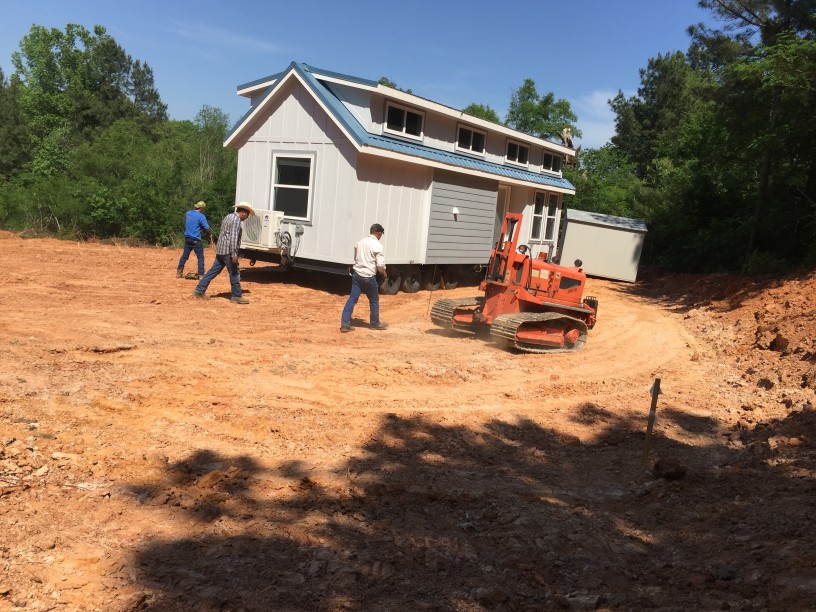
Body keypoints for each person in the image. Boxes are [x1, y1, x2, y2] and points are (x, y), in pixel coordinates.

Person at [193, 203, 255, 304]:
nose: (247, 217)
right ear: (243, 212)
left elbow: (224, 233)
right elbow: (233, 238)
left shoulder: (228, 216)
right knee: (234, 273)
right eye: (247, 215)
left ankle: (199, 290)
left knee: (213, 271)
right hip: (228, 251)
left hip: (221, 250)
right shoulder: (236, 220)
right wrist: (234, 254)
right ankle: (236, 296)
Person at [340, 223, 388, 332]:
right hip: (369, 277)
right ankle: (375, 323)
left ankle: (345, 324)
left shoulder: (360, 243)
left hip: (357, 275)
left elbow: (356, 258)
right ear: (379, 233)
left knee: (352, 299)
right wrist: (384, 272)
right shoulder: (377, 245)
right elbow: (380, 265)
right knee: (374, 300)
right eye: (381, 235)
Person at [176, 201, 211, 279]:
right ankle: (201, 274)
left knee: (185, 256)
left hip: (187, 238)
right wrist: (203, 230)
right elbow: (207, 228)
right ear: (201, 208)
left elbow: (192, 223)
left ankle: (179, 272)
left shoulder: (188, 213)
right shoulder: (201, 216)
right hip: (196, 239)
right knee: (200, 257)